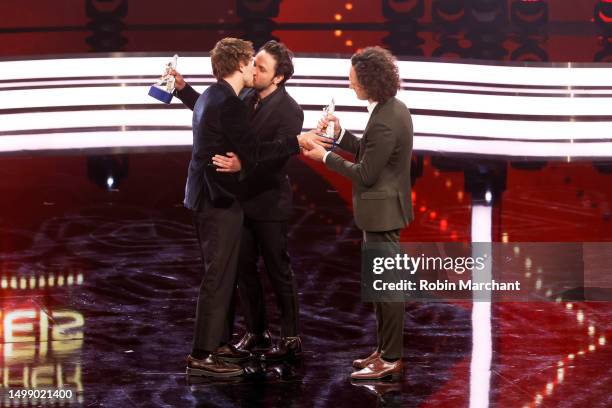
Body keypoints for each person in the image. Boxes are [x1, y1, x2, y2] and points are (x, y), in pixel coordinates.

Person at [172, 41, 305, 362]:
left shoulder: (290, 110)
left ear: (279, 78)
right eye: (253, 64)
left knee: (277, 269)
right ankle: (255, 332)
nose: (254, 70)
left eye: (262, 67)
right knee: (239, 271)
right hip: (233, 198)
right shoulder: (238, 98)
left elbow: (270, 160)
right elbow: (218, 120)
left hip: (267, 201)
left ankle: (290, 335)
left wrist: (246, 163)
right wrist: (184, 91)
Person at [300, 46, 413, 381]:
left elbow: (365, 173)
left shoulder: (385, 121)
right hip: (382, 211)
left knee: (388, 288)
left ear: (370, 81)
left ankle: (391, 358)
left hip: (383, 214)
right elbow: (372, 153)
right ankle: (384, 350)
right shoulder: (390, 110)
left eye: (353, 80)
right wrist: (339, 137)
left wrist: (324, 157)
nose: (350, 85)